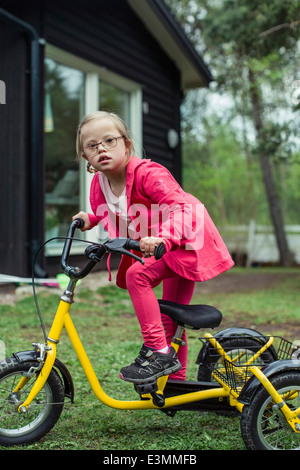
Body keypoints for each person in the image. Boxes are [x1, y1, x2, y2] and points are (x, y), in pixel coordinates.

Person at [72, 111, 234, 385]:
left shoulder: (149, 174)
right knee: (171, 317)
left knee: (139, 275)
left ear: (126, 144)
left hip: (186, 240)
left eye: (109, 140)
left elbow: (181, 207)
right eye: (92, 145)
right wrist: (93, 218)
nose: (101, 148)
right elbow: (117, 209)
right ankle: (176, 381)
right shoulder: (99, 185)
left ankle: (158, 351)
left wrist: (164, 237)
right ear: (86, 159)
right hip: (162, 245)